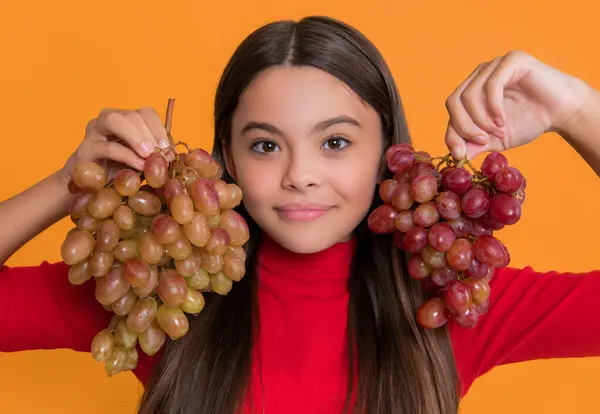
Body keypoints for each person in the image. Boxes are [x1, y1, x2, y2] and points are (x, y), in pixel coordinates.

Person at [1, 15, 599, 414]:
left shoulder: (451, 302)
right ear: (226, 157)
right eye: (265, 145)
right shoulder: (156, 291)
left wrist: (576, 109)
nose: (299, 174)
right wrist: (67, 183)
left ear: (389, 155)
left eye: (335, 142)